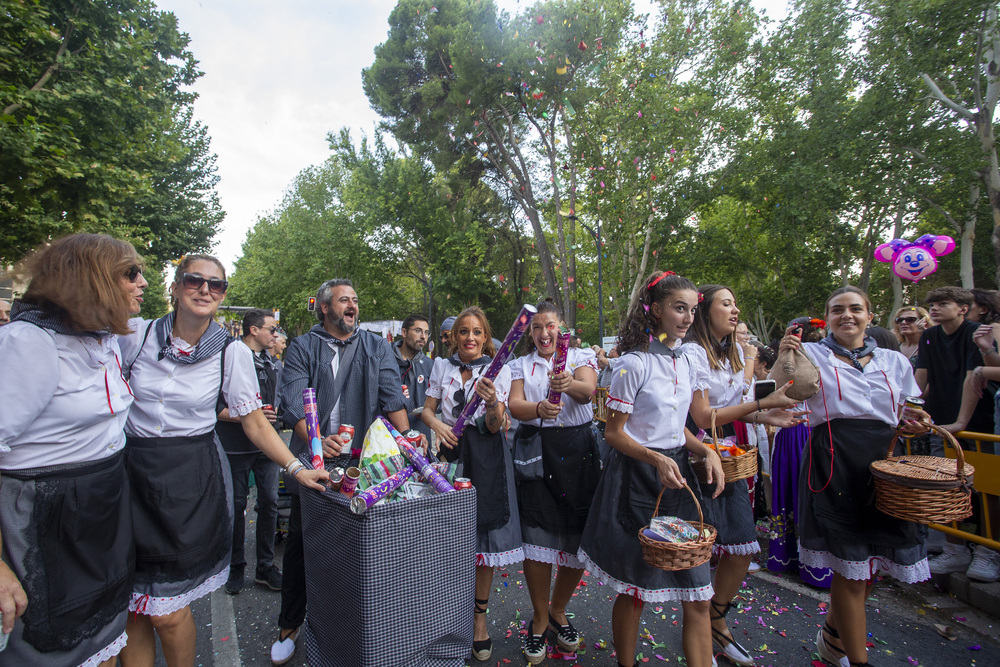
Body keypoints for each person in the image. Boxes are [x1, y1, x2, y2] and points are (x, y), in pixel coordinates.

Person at [118, 255, 328, 667]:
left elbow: (254, 422)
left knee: (167, 612)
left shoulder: (230, 354)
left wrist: (297, 468)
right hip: (125, 478)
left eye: (216, 285)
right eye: (195, 280)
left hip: (184, 481)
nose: (205, 290)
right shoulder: (134, 336)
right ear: (176, 288)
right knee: (131, 611)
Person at [0, 234, 145, 667]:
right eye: (130, 273)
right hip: (44, 523)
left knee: (100, 642)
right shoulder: (28, 344)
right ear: (92, 279)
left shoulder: (101, 340)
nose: (142, 282)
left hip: (100, 512)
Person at [577, 271, 725, 667]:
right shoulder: (632, 364)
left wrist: (705, 449)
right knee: (636, 588)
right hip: (638, 478)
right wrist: (656, 458)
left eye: (693, 310)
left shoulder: (692, 357)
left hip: (678, 476)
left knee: (698, 591)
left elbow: (680, 429)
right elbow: (614, 434)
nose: (688, 317)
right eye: (680, 308)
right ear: (655, 310)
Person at [780, 286, 929, 667]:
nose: (847, 316)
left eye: (855, 309)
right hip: (834, 458)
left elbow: (911, 413)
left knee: (870, 563)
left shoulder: (896, 362)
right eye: (837, 310)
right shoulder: (811, 353)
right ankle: (857, 661)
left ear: (870, 315)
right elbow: (786, 391)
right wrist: (786, 351)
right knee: (849, 568)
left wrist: (919, 423)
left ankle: (832, 638)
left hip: (883, 464)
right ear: (826, 317)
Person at [271, 278, 411, 665]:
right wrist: (317, 440)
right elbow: (294, 400)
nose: (352, 305)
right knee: (302, 544)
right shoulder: (302, 346)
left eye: (355, 299)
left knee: (363, 547)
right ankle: (289, 624)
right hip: (313, 464)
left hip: (362, 464)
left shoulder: (375, 345)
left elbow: (391, 396)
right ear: (325, 308)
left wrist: (409, 438)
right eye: (344, 300)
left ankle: (356, 624)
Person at [683, 285, 802, 667]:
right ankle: (701, 637)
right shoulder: (691, 353)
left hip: (730, 455)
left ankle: (717, 618)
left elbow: (733, 408)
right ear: (705, 311)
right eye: (726, 303)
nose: (735, 310)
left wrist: (763, 415)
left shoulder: (732, 351)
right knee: (699, 554)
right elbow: (703, 417)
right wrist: (762, 402)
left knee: (741, 545)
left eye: (736, 303)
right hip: (693, 454)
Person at [421, 307, 518, 662]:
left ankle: (478, 621)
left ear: (486, 336)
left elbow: (496, 425)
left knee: (483, 539)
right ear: (452, 337)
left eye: (477, 331)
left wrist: (493, 402)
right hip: (450, 452)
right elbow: (428, 409)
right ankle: (446, 617)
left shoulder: (500, 371)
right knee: (447, 538)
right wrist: (437, 425)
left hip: (487, 456)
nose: (471, 338)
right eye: (464, 331)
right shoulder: (441, 367)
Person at [507, 300, 601, 664]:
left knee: (577, 539)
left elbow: (588, 391)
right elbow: (515, 404)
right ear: (530, 333)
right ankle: (540, 617)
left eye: (549, 326)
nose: (544, 333)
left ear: (560, 327)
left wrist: (570, 383)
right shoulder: (520, 364)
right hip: (537, 451)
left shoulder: (579, 358)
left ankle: (559, 609)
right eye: (536, 328)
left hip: (579, 452)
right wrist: (539, 408)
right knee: (537, 539)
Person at [915, 286, 998, 578]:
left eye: (943, 303)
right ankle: (954, 550)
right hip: (940, 422)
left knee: (987, 490)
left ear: (963, 307)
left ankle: (988, 554)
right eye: (932, 303)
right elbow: (921, 378)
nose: (935, 308)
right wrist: (911, 408)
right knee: (944, 486)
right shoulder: (928, 336)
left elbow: (971, 379)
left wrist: (961, 422)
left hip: (979, 423)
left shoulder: (978, 332)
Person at [217, 309, 283, 595]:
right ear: (254, 330)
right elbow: (216, 410)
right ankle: (235, 567)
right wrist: (251, 416)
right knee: (236, 506)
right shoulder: (231, 355)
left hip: (265, 446)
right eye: (271, 329)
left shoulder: (269, 361)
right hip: (236, 447)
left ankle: (265, 567)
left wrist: (272, 414)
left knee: (269, 502)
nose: (275, 335)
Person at [765, 318, 832, 587]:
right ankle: (792, 556)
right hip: (795, 429)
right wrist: (785, 354)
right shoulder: (790, 357)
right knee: (797, 494)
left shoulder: (839, 357)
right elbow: (775, 387)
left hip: (820, 434)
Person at [394, 314, 433, 439]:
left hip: (420, 436)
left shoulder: (430, 365)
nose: (423, 336)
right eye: (418, 331)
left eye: (426, 332)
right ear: (404, 332)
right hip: (389, 434)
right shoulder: (386, 360)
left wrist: (429, 410)